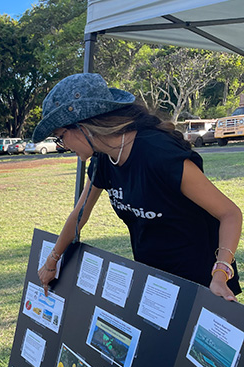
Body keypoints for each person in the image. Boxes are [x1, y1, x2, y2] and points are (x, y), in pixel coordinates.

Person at [35, 73, 242, 301]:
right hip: (155, 280)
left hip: (203, 280)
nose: (62, 145)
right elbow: (79, 215)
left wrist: (221, 273)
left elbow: (230, 214)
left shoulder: (158, 154)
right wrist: (51, 261)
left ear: (83, 126)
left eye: (60, 137)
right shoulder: (103, 159)